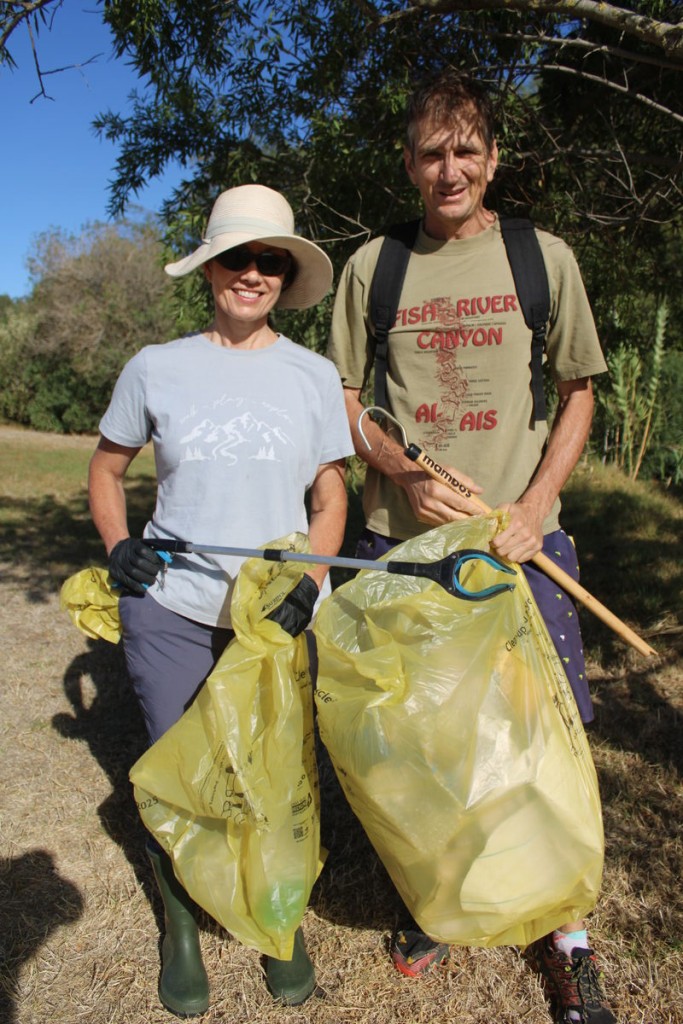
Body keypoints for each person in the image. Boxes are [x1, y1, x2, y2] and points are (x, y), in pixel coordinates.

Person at [327, 69, 614, 1024]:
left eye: (465, 151)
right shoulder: (377, 265)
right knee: (427, 739)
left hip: (520, 544)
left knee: (552, 734)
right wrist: (402, 475)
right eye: (429, 153)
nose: (448, 170)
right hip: (403, 546)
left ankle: (567, 934)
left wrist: (535, 502)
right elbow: (341, 400)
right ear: (407, 164)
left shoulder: (544, 259)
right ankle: (446, 901)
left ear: (492, 159)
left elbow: (577, 390)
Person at [89, 184, 354, 1018]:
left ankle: (278, 918)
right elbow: (105, 471)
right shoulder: (155, 366)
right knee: (183, 773)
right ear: (209, 269)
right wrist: (118, 546)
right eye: (236, 257)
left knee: (271, 776)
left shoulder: (311, 375)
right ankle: (180, 921)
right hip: (167, 607)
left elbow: (331, 494)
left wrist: (311, 584)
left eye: (268, 260)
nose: (252, 273)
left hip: (270, 611)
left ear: (284, 273)